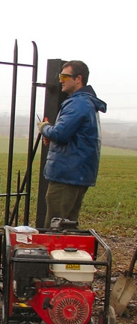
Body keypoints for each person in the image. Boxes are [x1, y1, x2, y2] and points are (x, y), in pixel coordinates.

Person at [37, 60, 107, 227]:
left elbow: (60, 133)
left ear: (78, 79)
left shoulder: (78, 103)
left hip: (67, 173)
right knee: (68, 226)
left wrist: (45, 128)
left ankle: (53, 253)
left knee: (55, 226)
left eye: (64, 76)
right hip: (78, 173)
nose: (60, 80)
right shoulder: (87, 102)